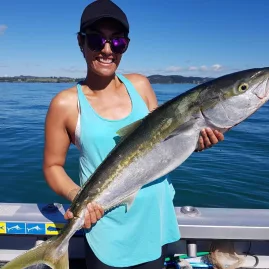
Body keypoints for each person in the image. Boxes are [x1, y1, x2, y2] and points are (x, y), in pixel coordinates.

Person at [43, 0, 224, 268]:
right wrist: (77, 197)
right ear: (81, 42)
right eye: (96, 40)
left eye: (117, 43)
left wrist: (196, 143)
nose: (107, 50)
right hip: (107, 231)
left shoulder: (141, 85)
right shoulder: (66, 104)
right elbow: (52, 166)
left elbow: (163, 144)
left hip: (155, 225)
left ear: (126, 46)